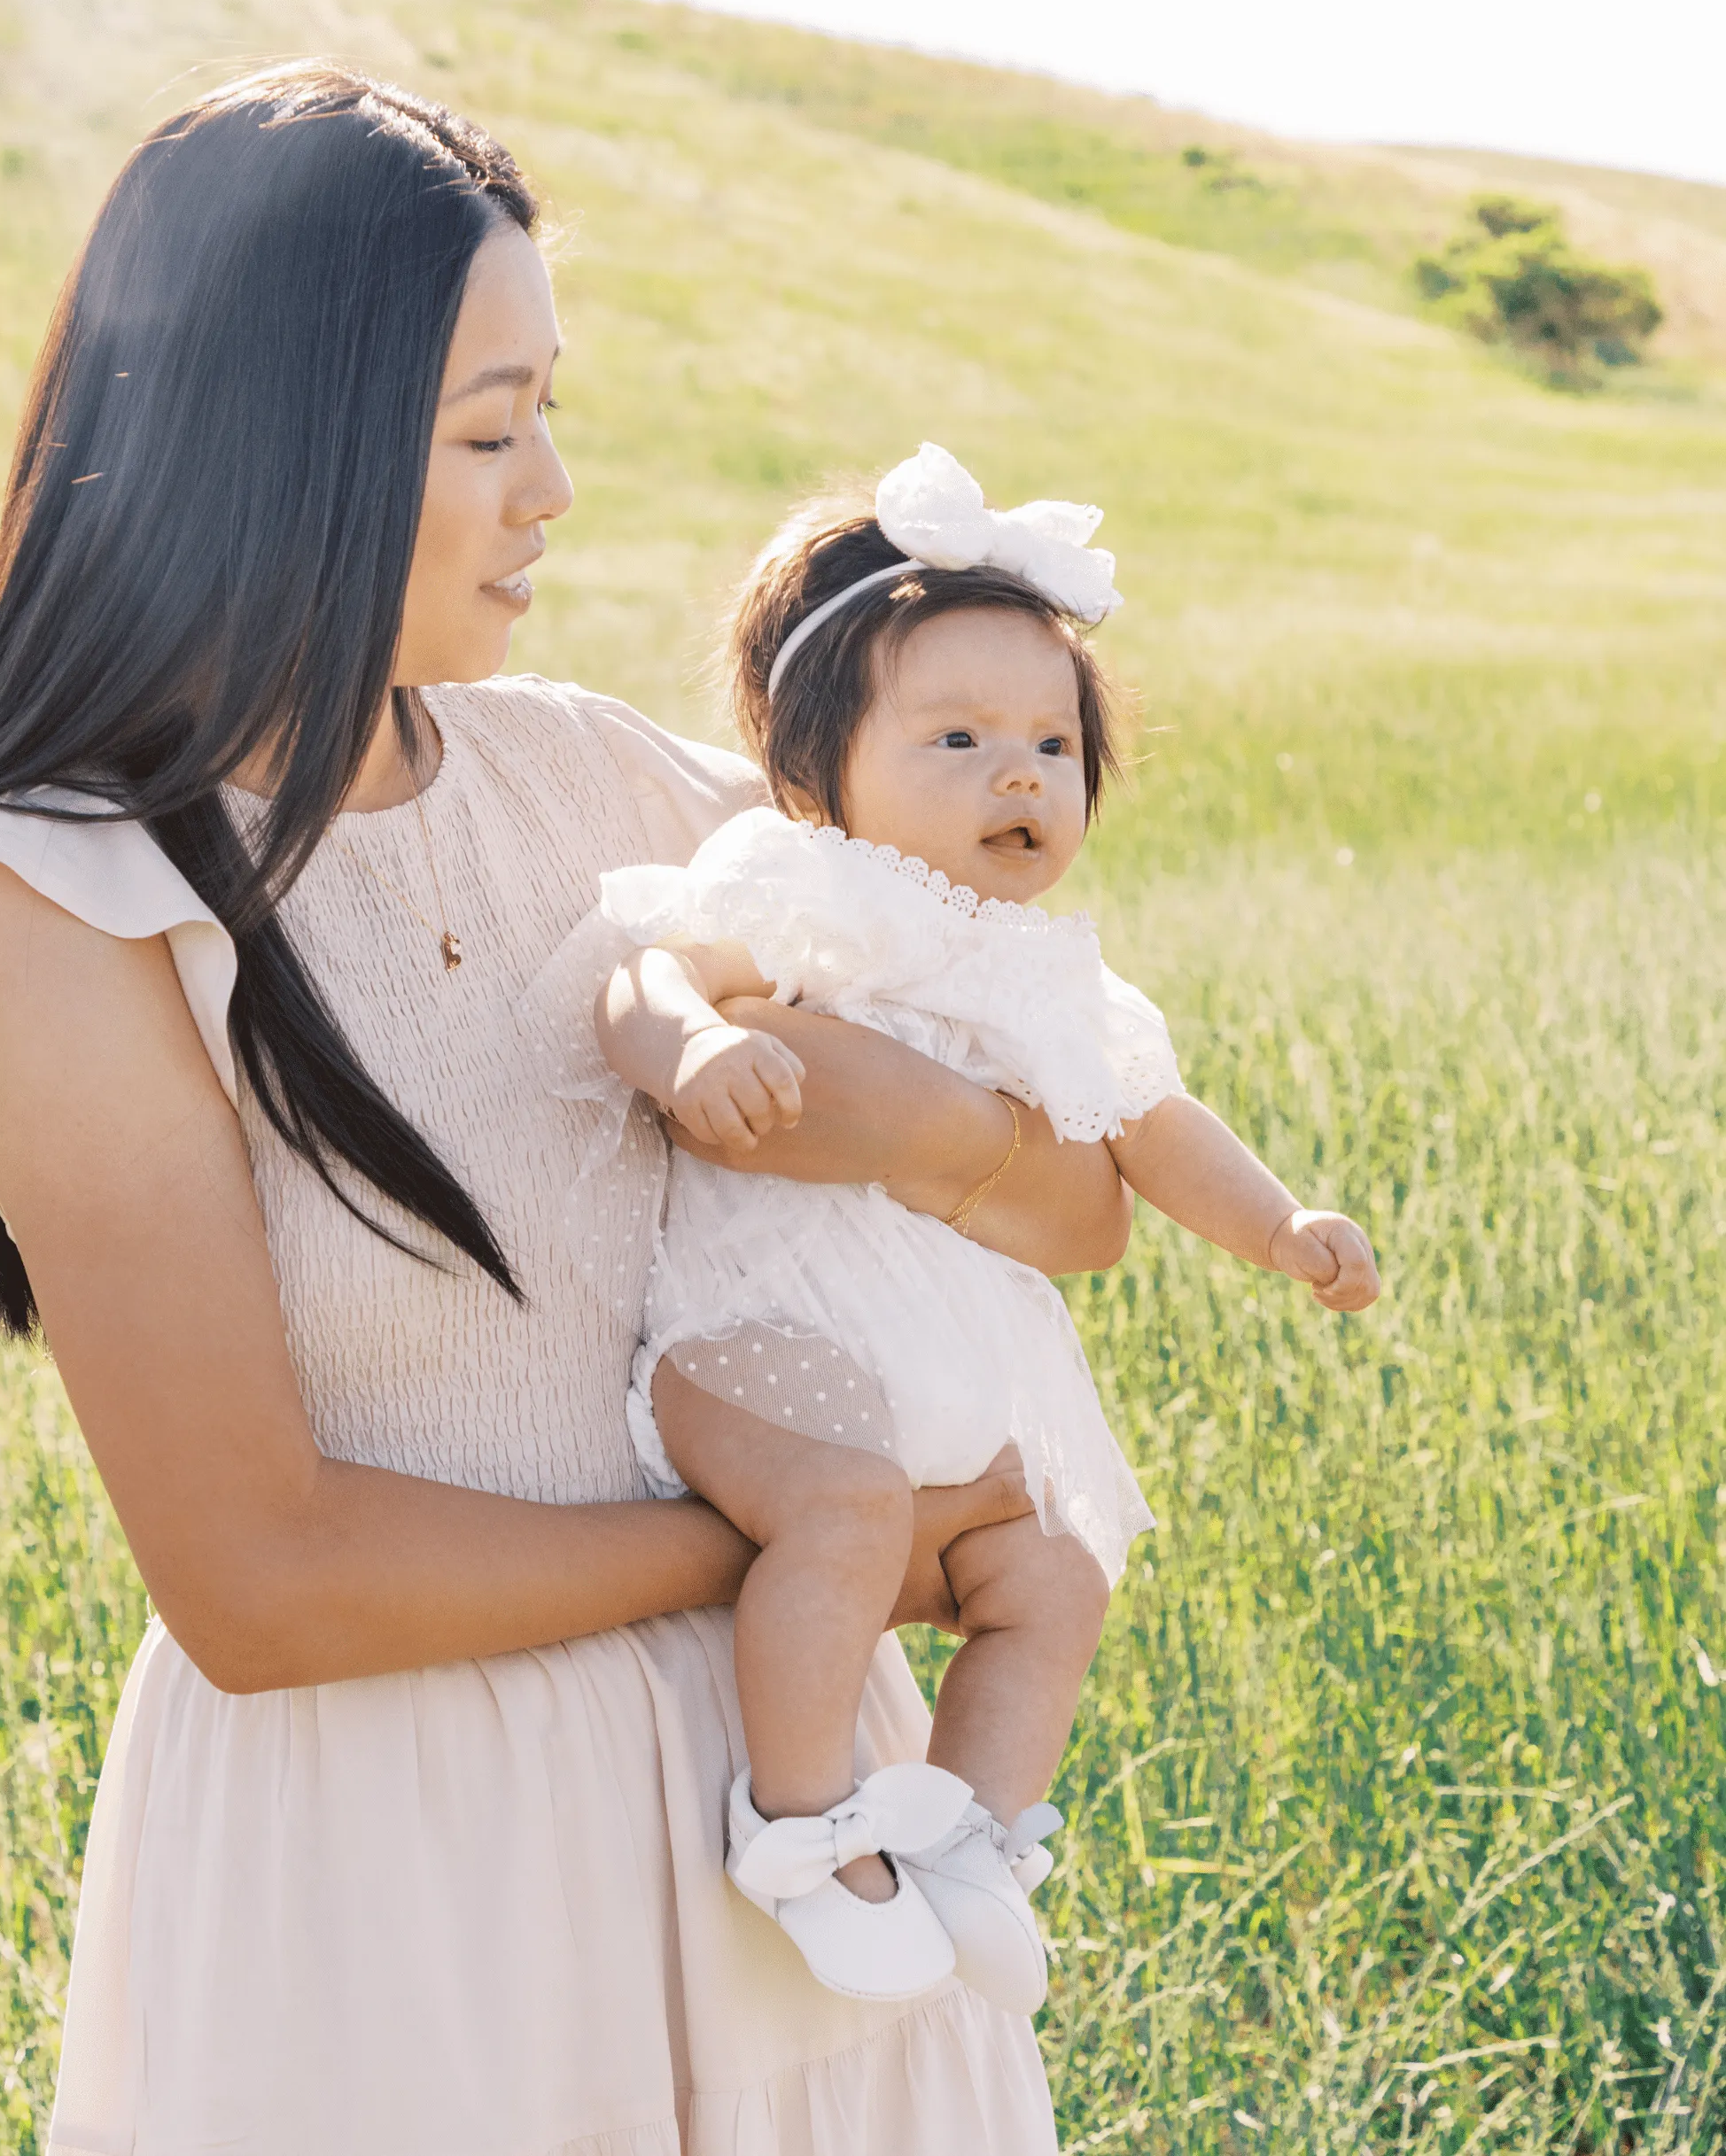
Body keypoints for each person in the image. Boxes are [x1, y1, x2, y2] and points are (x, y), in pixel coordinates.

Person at [0, 69, 1132, 2152]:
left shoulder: (617, 786)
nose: (552, 490)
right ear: (291, 451)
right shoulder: (58, 893)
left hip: (787, 1831)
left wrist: (931, 1138)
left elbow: (1077, 1197)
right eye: (484, 429)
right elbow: (260, 1582)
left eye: (546, 412)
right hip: (398, 1883)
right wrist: (799, 1531)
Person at [571, 442, 1381, 2017]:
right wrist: (693, 1044)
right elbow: (644, 974)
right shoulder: (811, 886)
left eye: (1051, 744)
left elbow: (1154, 1127)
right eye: (956, 736)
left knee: (1053, 1579)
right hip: (753, 1344)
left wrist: (1280, 1224)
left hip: (951, 1385)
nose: (1020, 775)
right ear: (821, 766)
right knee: (849, 1511)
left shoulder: (1054, 978)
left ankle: (974, 1841)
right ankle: (803, 1825)